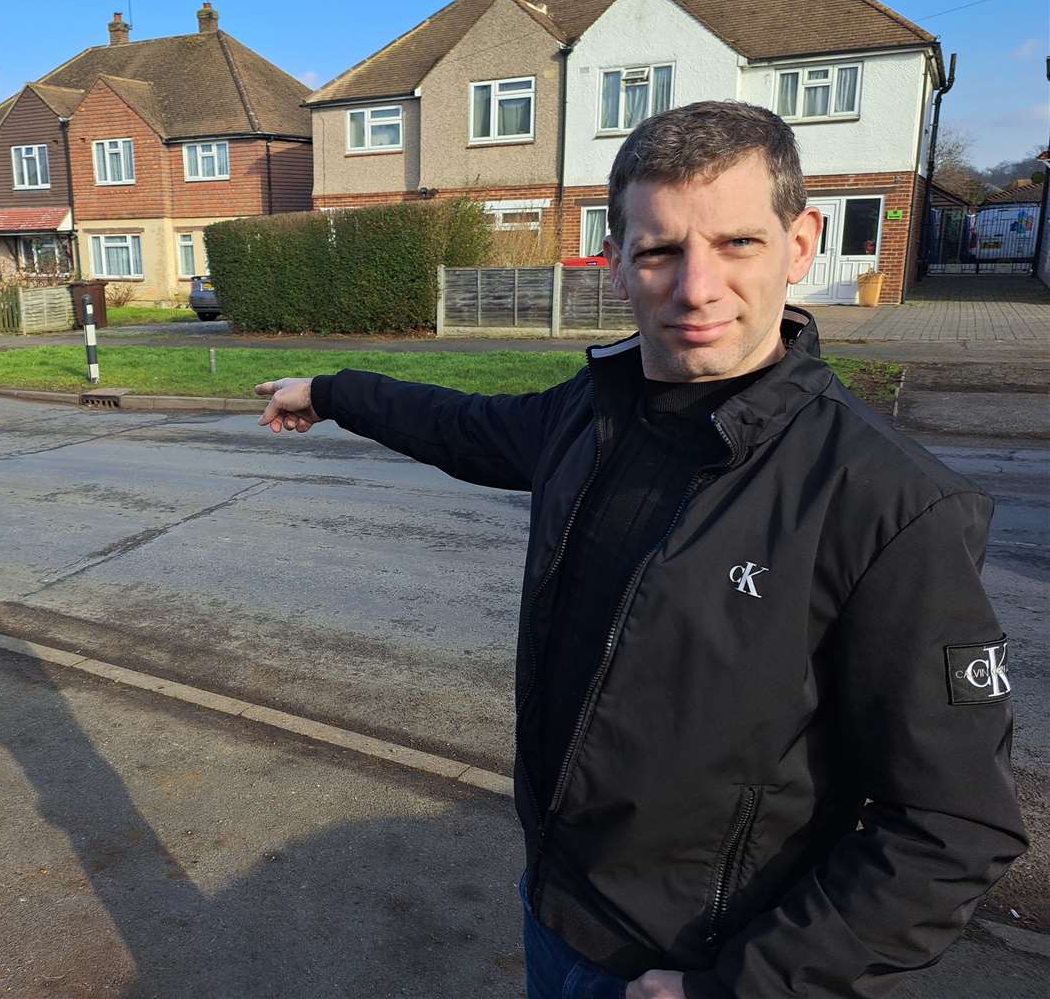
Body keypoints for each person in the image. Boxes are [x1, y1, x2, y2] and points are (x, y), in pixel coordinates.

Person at [254, 101, 1026, 999]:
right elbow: (462, 426)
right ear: (616, 260)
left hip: (698, 965)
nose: (696, 288)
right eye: (659, 251)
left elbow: (953, 826)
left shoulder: (890, 501)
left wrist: (740, 986)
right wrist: (335, 389)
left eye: (737, 244)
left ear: (801, 243)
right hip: (553, 907)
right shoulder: (590, 415)